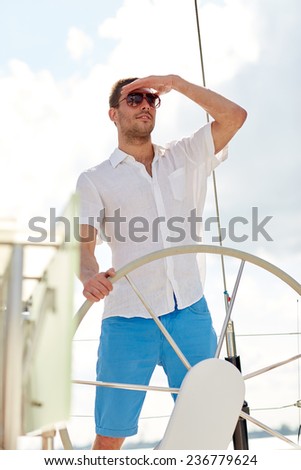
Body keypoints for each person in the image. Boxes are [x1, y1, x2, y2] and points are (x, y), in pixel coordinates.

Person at [76, 74, 247, 450]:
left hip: (190, 311)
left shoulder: (186, 153)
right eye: (134, 98)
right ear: (113, 114)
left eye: (152, 99)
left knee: (210, 427)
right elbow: (84, 249)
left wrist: (175, 83)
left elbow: (234, 116)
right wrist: (89, 277)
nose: (145, 105)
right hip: (127, 319)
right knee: (110, 436)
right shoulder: (94, 180)